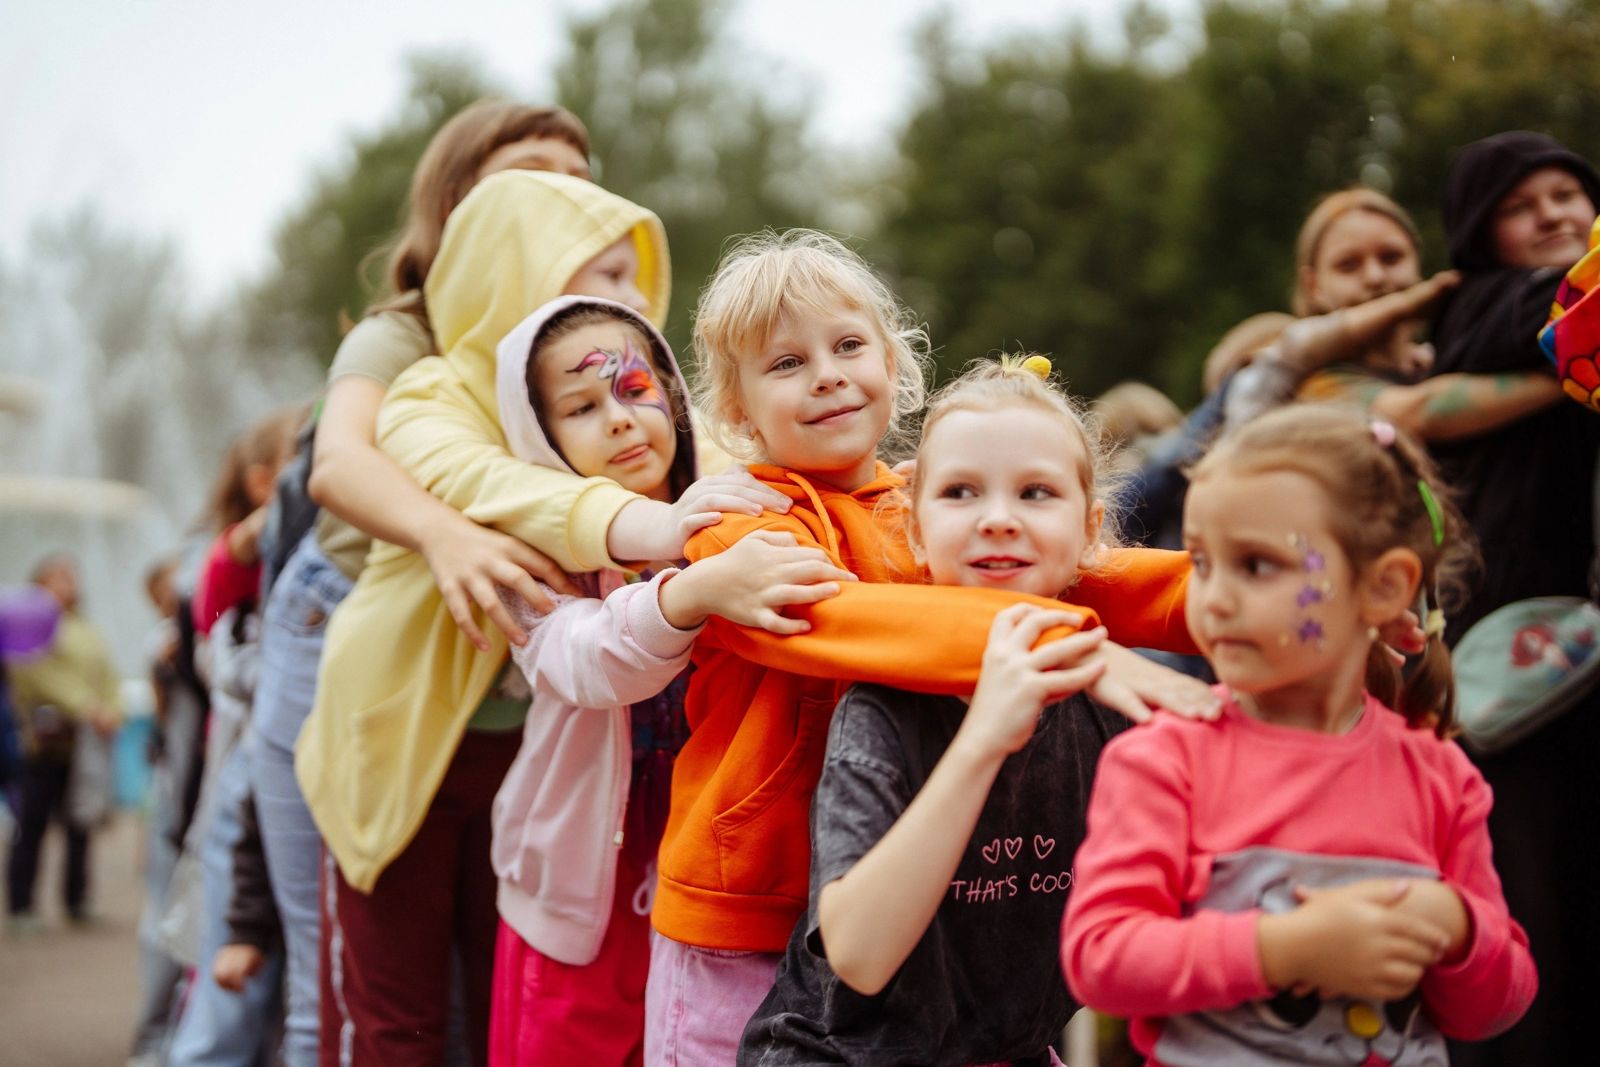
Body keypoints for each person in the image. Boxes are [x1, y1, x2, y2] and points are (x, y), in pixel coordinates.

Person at [646, 229, 1219, 1062]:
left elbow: (1078, 569)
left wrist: (1241, 598)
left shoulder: (920, 505)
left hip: (899, 884)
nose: (828, 374)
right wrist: (1070, 644)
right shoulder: (739, 522)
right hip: (746, 906)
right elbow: (844, 621)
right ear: (736, 409)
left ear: (894, 361)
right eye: (786, 363)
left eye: (848, 346)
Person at [296, 170, 788, 1066]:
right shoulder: (433, 389)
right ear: (513, 261)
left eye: (633, 276)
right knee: (400, 1020)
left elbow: (730, 477)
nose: (632, 297)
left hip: (597, 808)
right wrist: (672, 538)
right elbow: (506, 490)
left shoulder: (625, 395)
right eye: (600, 270)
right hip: (404, 730)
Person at [251, 99, 598, 1067]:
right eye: (527, 170)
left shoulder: (579, 338)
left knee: (494, 1007)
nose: (558, 194)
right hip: (367, 660)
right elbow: (340, 465)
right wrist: (447, 536)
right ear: (454, 202)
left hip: (504, 703)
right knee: (368, 1006)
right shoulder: (406, 335)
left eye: (578, 177)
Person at [1062, 404, 1537, 1065]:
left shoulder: (1440, 775)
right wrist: (1286, 947)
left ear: (1382, 586)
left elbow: (1500, 1003)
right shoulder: (1165, 758)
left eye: (1256, 565)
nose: (1214, 599)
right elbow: (1100, 957)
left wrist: (1459, 929)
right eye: (1201, 562)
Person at [485, 295, 852, 1066]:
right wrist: (690, 590)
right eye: (580, 406)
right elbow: (585, 661)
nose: (619, 419)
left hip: (720, 868)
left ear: (675, 400)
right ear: (537, 437)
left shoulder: (741, 505)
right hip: (582, 886)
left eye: (633, 388)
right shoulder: (529, 554)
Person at [739, 358, 1138, 1065]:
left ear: (1090, 530)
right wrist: (982, 738)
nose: (997, 519)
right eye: (959, 492)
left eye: (1036, 492)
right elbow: (859, 957)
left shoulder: (1115, 706)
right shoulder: (882, 708)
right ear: (916, 532)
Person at [1427, 130, 1600, 1065]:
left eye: (1571, 195)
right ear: (1479, 235)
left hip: (1579, 657)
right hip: (1512, 667)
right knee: (1526, 900)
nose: (1556, 215)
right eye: (1523, 204)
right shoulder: (1488, 308)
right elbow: (1569, 311)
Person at [168, 406, 301, 1067]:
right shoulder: (241, 553)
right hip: (240, 784)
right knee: (227, 981)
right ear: (261, 482)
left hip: (278, 782)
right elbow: (209, 607)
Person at [4, 554, 120, 932]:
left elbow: (108, 674)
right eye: (55, 579)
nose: (65, 586)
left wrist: (111, 708)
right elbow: (34, 674)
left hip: (85, 743)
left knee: (80, 823)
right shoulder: (29, 623)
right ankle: (22, 905)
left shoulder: (86, 628)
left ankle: (77, 900)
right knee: (32, 824)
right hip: (45, 741)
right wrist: (87, 708)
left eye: (69, 579)